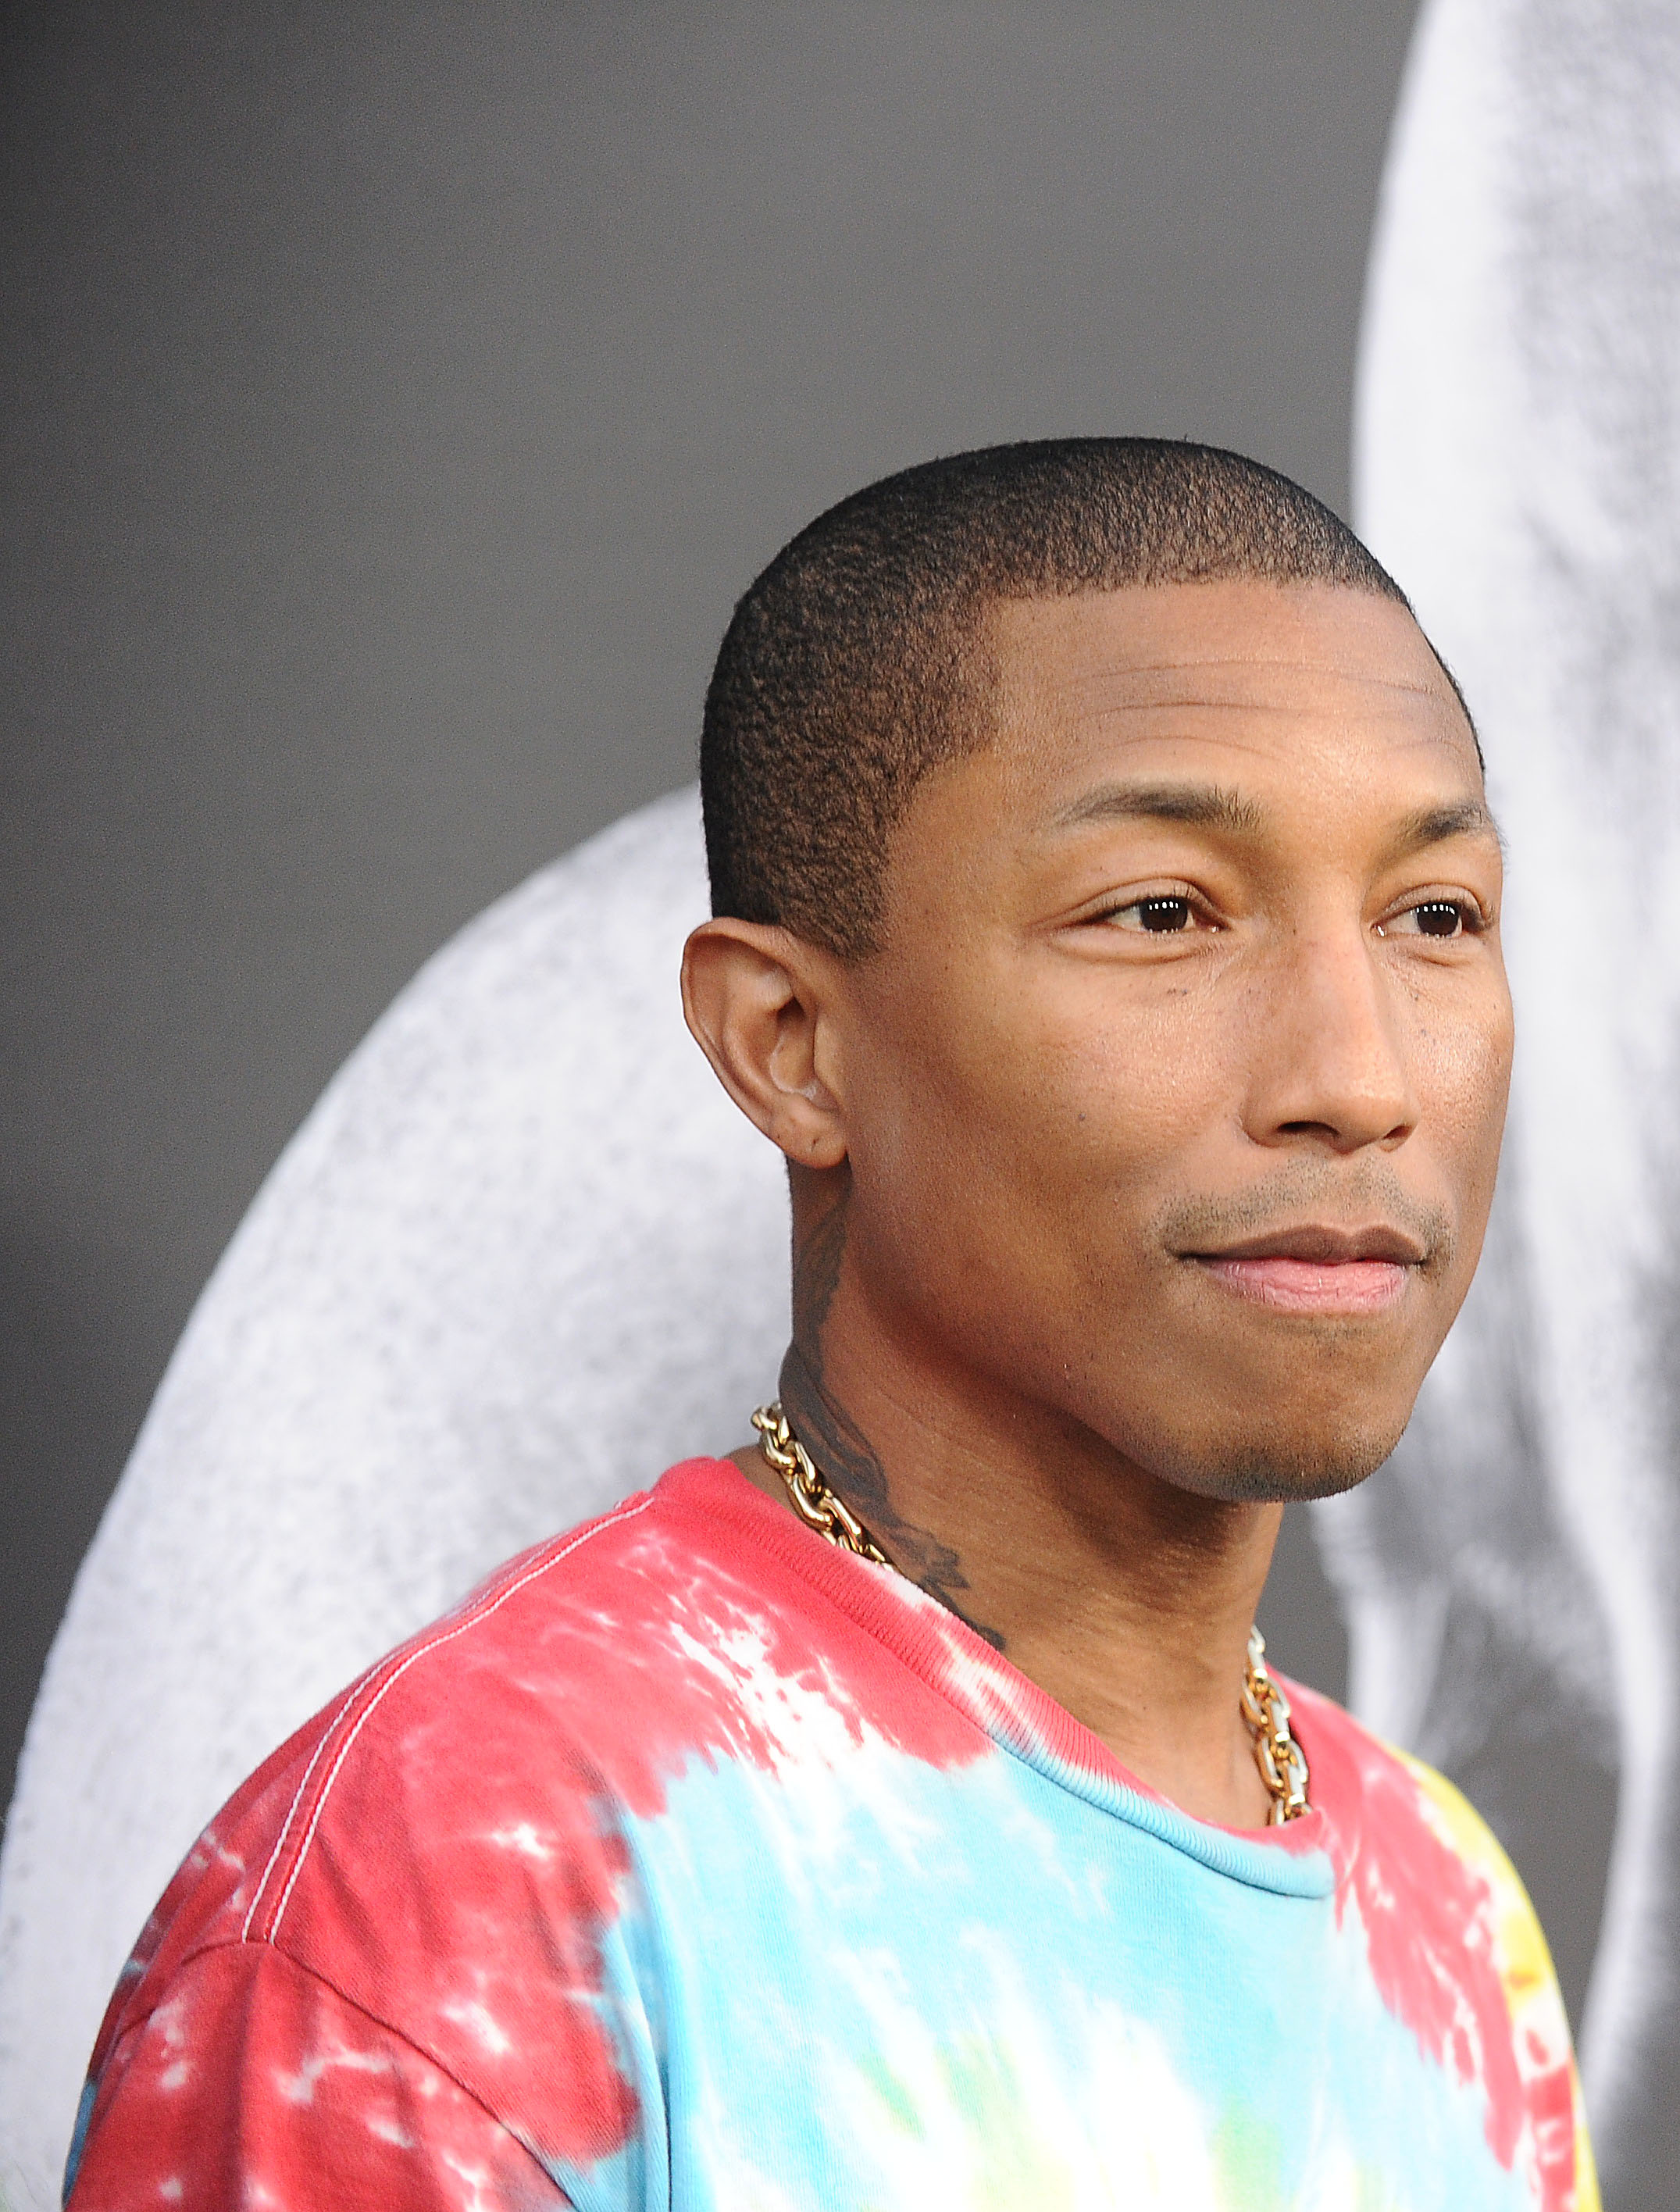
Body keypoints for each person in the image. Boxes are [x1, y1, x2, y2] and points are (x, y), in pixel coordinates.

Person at [61, 438, 1593, 2211]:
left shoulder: (1446, 1906)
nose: (1360, 1075)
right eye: (1162, 912)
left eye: (1436, 916)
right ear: (789, 1047)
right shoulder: (467, 1889)